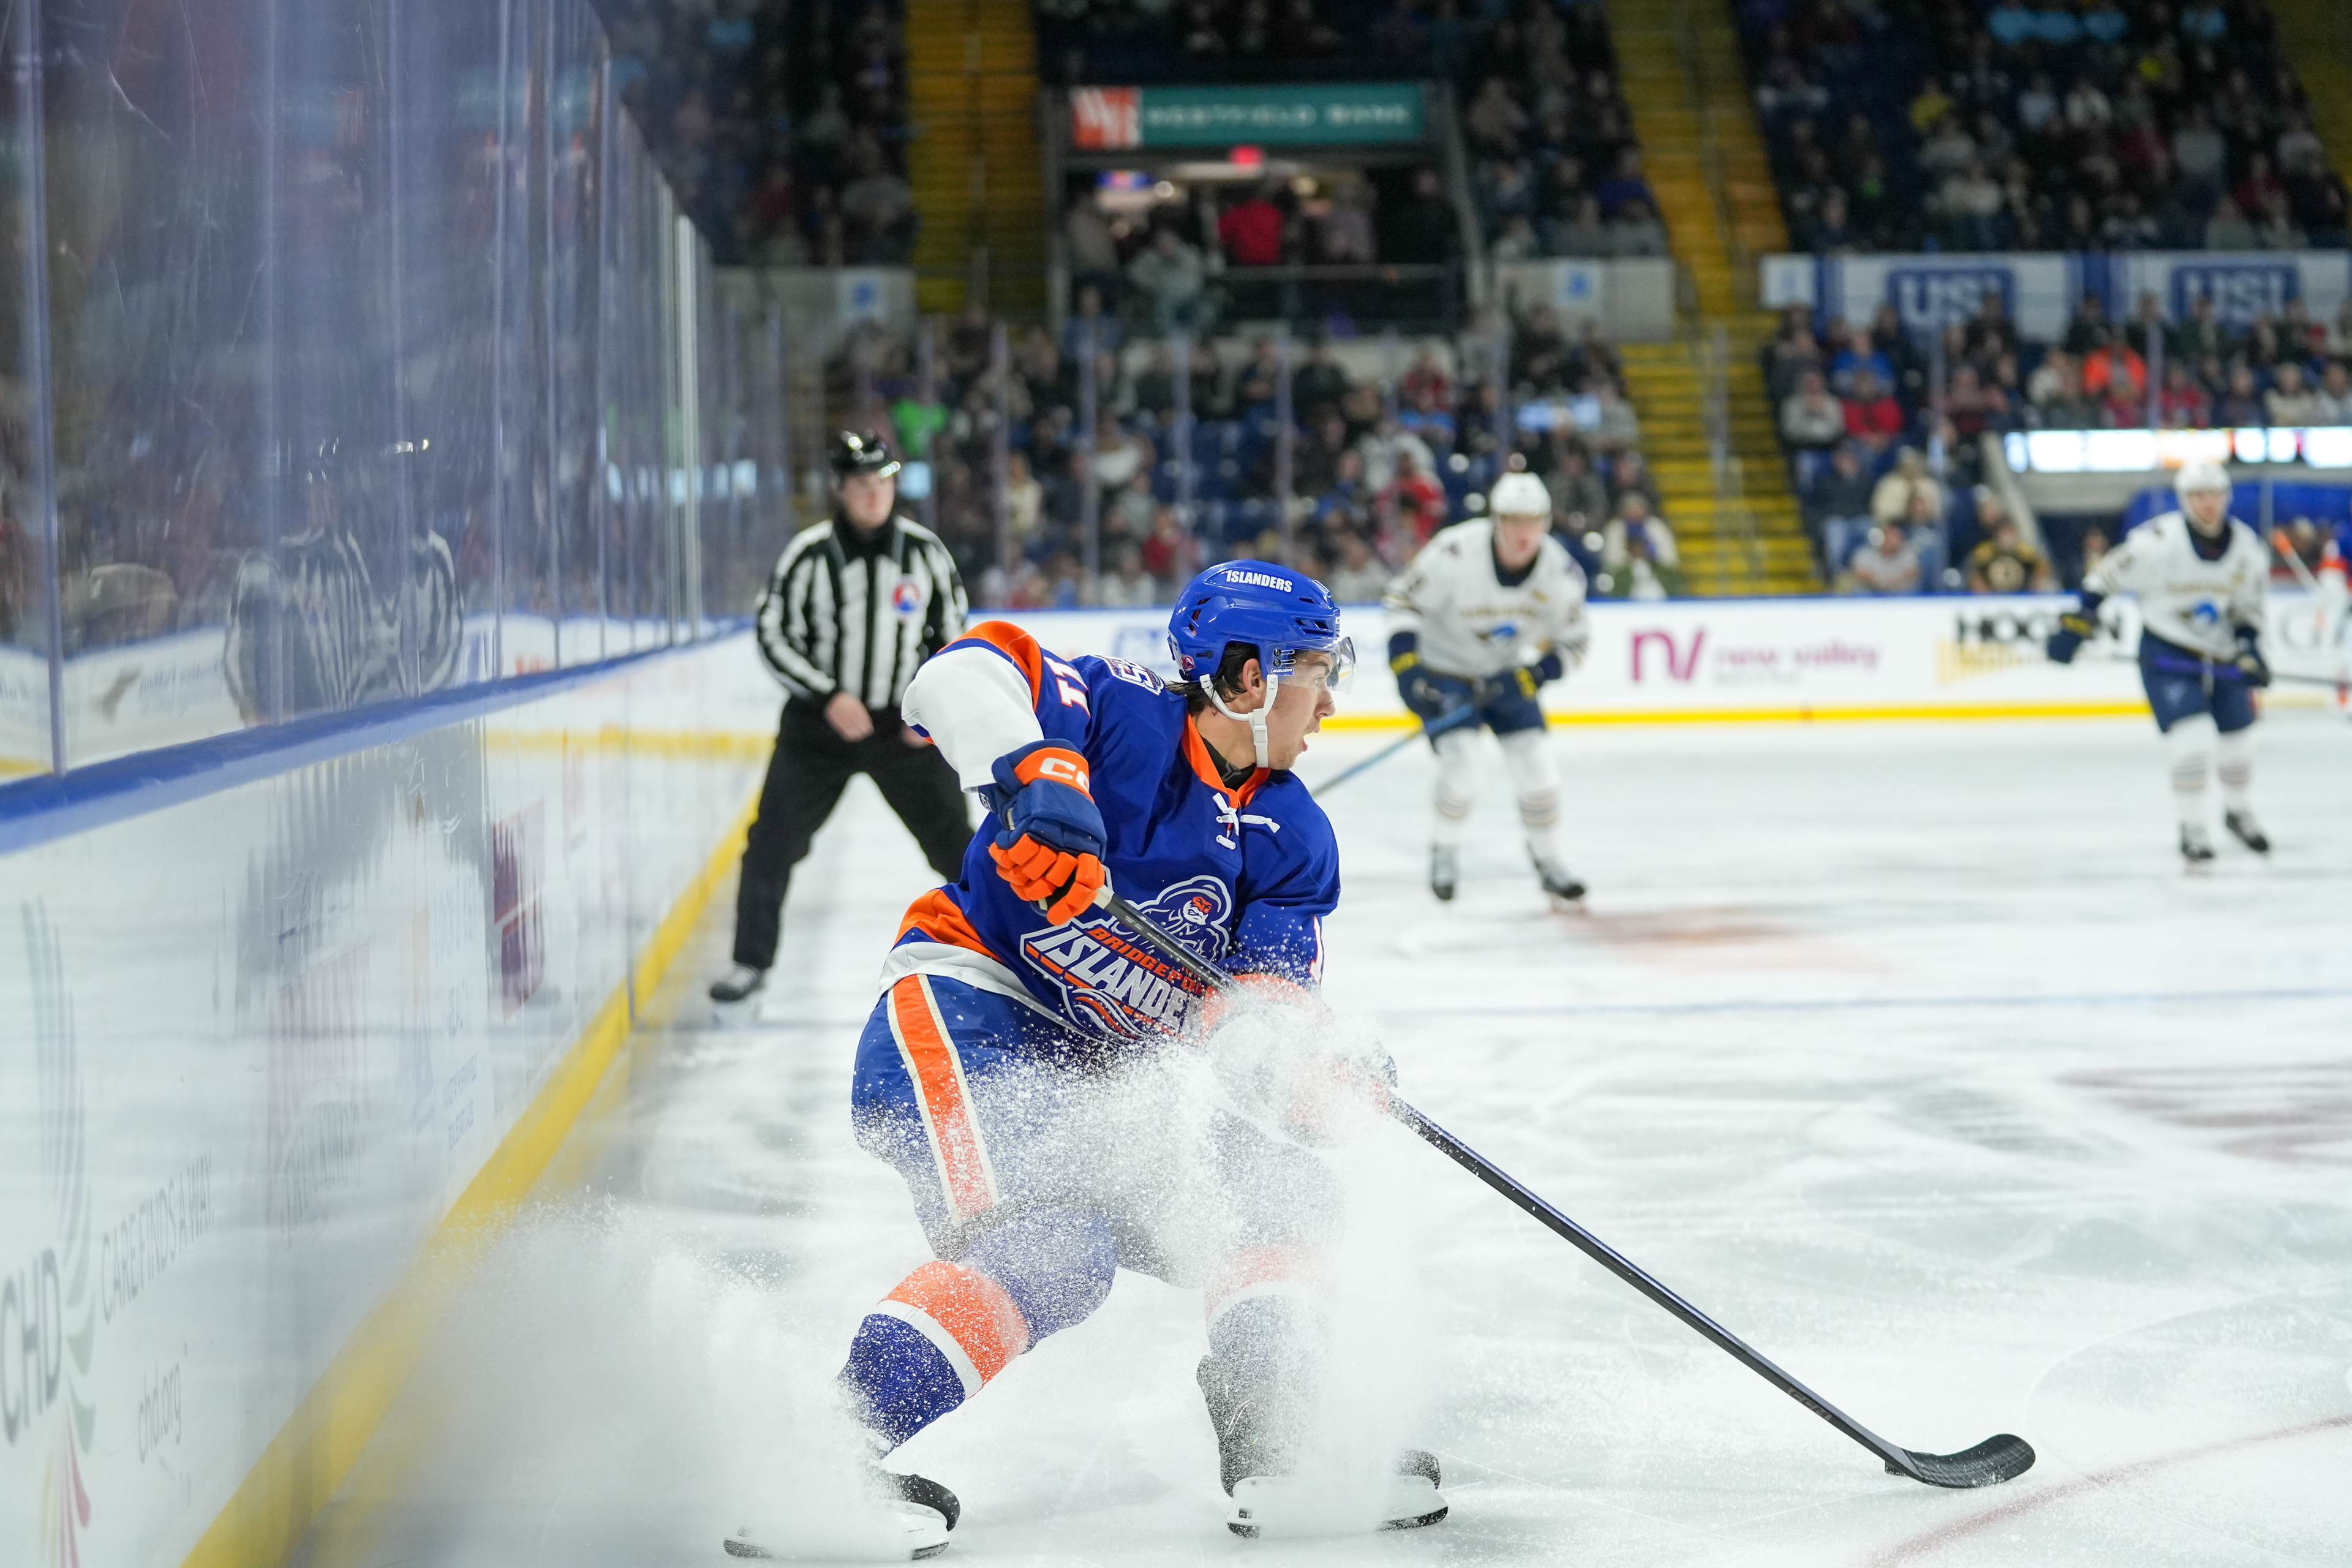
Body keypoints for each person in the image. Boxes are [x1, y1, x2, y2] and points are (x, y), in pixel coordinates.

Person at [765, 565, 1450, 1558]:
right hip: (966, 1015)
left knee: (1285, 1198)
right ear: (1247, 676)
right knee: (1053, 1247)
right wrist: (1038, 775)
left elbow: (1253, 1023)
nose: (1331, 701)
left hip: (1102, 1079)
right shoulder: (1118, 713)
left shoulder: (1293, 833)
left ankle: (1278, 1443)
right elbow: (952, 677)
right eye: (1316, 671)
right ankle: (812, 1462)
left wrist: (1312, 1066)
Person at [710, 433, 975, 1003]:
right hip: (819, 729)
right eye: (861, 484)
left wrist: (929, 711)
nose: (874, 494)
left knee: (957, 845)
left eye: (882, 481)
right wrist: (828, 695)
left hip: (903, 730)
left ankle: (1003, 956)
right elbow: (773, 632)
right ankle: (749, 963)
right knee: (770, 843)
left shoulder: (925, 552)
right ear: (840, 489)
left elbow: (954, 638)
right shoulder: (808, 554)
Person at [2046, 461, 2272, 865]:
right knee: (2192, 736)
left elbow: (2248, 609)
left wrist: (2249, 647)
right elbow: (2105, 577)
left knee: (2238, 742)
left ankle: (2238, 812)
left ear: (2226, 497)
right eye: (2198, 496)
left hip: (2221, 651)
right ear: (2185, 500)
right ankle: (2193, 826)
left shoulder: (2247, 548)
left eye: (2214, 495)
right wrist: (2079, 622)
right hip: (2168, 649)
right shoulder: (2156, 542)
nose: (2207, 504)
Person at [1384, 470, 1591, 905]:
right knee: (1464, 764)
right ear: (1496, 521)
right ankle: (1444, 851)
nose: (1523, 533)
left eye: (1532, 521)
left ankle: (1550, 861)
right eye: (1513, 521)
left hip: (1506, 673)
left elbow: (1575, 643)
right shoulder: (1455, 553)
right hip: (1445, 670)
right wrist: (1407, 670)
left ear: (1546, 522)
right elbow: (1402, 601)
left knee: (1539, 768)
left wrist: (1535, 674)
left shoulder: (1560, 572)